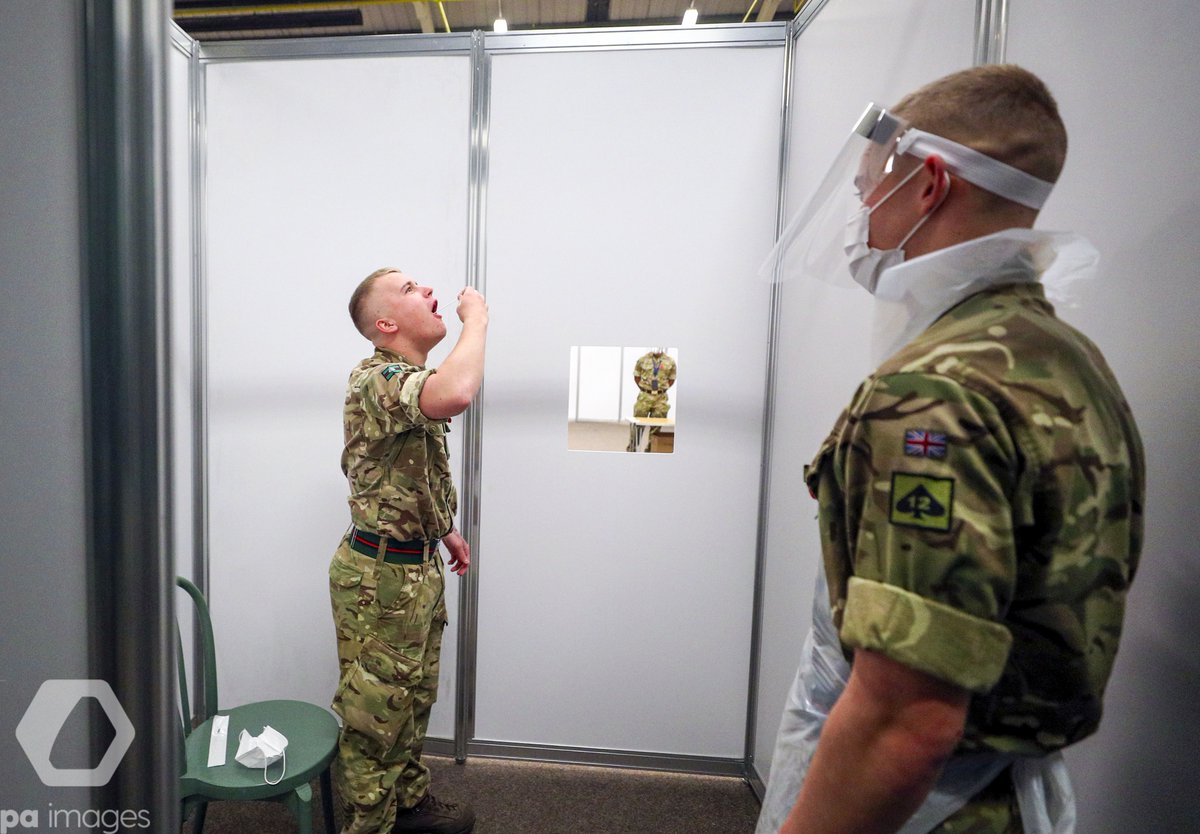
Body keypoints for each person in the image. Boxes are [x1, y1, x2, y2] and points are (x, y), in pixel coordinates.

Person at [756, 66, 1145, 834]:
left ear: (929, 185)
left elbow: (905, 724)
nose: (861, 214)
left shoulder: (935, 393)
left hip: (926, 811)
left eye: (870, 189)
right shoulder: (1063, 358)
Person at [329, 267, 487, 834]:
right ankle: (368, 825)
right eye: (409, 288)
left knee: (414, 698)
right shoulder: (375, 377)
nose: (427, 290)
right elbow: (457, 393)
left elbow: (412, 471)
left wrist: (442, 527)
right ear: (387, 323)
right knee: (375, 717)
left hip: (414, 569)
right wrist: (479, 320)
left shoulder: (410, 380)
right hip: (378, 580)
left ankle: (408, 804)